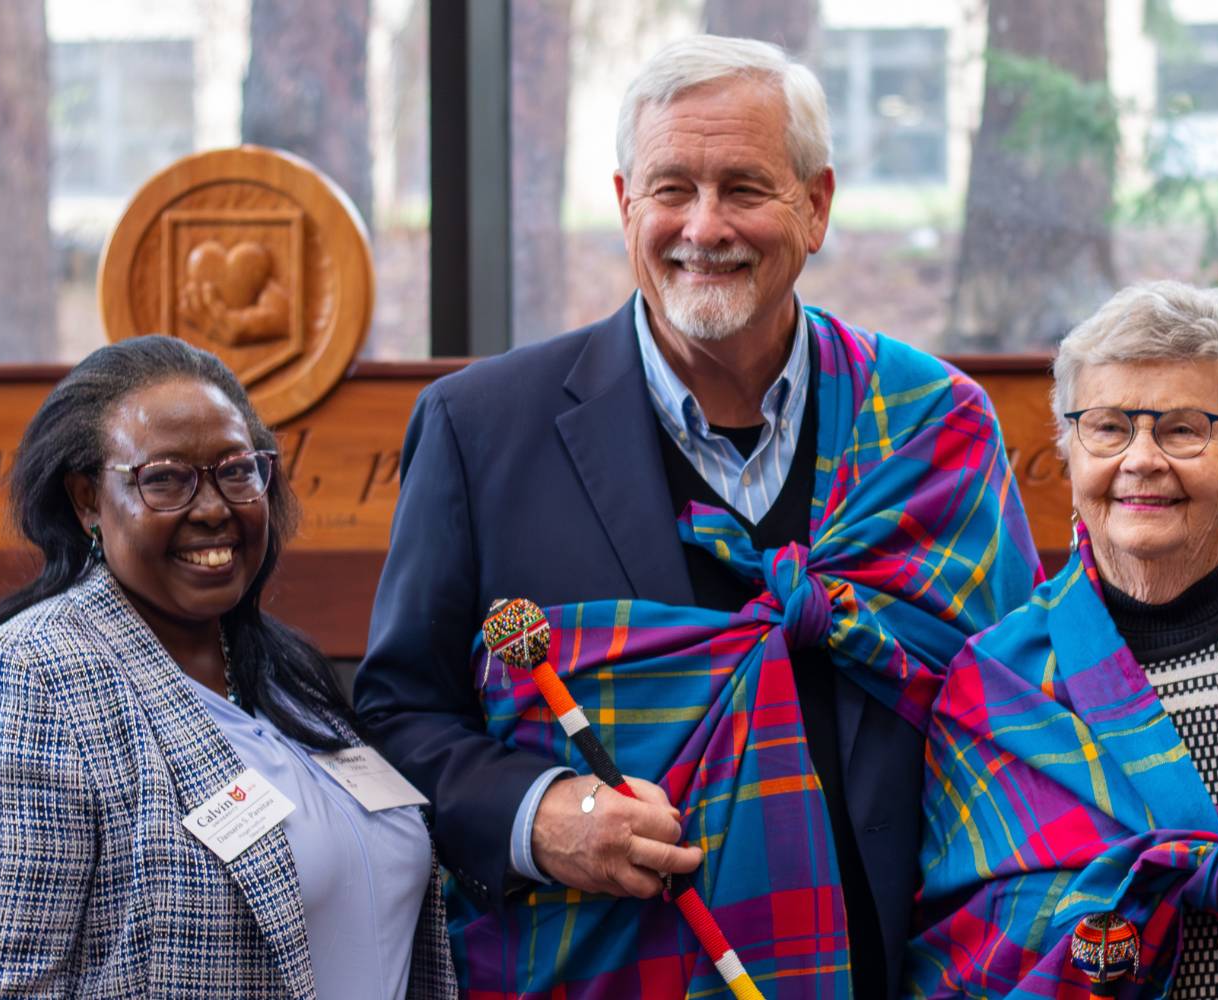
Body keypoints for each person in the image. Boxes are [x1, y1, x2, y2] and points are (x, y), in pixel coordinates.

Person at [354, 35, 1040, 997]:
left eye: (745, 188)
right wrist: (538, 816)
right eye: (671, 188)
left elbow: (1017, 708)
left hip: (899, 967)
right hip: (599, 969)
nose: (703, 226)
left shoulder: (934, 425)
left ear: (817, 206)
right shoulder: (482, 428)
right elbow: (397, 714)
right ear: (626, 203)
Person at [0, 336, 454, 999]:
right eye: (164, 478)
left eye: (236, 470)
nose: (214, 506)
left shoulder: (289, 678)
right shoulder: (21, 684)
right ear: (86, 501)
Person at [907, 281, 1218, 998]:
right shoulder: (997, 684)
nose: (1141, 459)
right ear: (1068, 451)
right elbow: (974, 950)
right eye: (1107, 427)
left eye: (1184, 428)